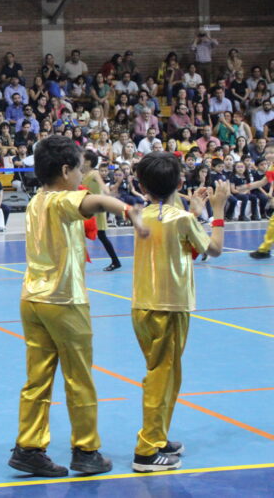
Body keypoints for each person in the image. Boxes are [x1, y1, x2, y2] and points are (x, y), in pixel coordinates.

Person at [8, 135, 148, 478]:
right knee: (79, 377)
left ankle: (29, 447)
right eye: (79, 171)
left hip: (32, 298)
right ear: (65, 171)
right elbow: (94, 202)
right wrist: (127, 210)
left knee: (37, 379)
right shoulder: (61, 199)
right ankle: (86, 450)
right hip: (64, 301)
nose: (81, 177)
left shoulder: (35, 201)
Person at [129, 153, 229, 472]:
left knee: (166, 373)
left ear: (142, 185)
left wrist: (194, 213)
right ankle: (147, 450)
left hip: (143, 305)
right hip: (169, 306)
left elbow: (172, 233)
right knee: (163, 376)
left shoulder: (142, 215)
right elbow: (214, 249)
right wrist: (217, 211)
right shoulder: (182, 219)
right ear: (181, 183)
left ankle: (158, 436)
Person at [81, 152, 121, 271]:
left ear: (88, 162)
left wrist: (109, 193)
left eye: (82, 158)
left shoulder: (94, 173)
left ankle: (115, 261)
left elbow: (103, 186)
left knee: (102, 236)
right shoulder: (82, 174)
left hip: (96, 209)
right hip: (86, 209)